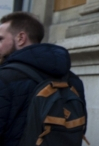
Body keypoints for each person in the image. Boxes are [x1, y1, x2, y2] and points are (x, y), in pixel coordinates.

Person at [0, 11, 86, 146]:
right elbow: (79, 128)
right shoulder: (73, 80)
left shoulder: (4, 78)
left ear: (20, 38)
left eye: (1, 39)